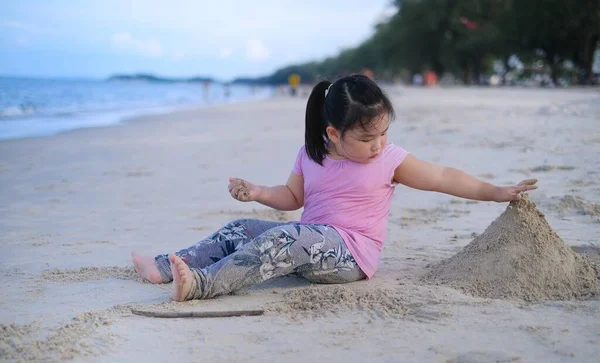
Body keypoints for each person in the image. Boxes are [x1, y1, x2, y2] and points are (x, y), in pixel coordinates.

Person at [131, 75, 538, 301]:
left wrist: (497, 190)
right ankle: (165, 266)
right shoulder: (312, 153)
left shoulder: (389, 159)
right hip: (312, 241)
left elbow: (444, 177)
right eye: (367, 138)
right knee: (242, 228)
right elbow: (293, 199)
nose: (378, 143)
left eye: (383, 133)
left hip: (350, 256)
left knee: (287, 239)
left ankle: (201, 285)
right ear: (334, 134)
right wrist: (257, 192)